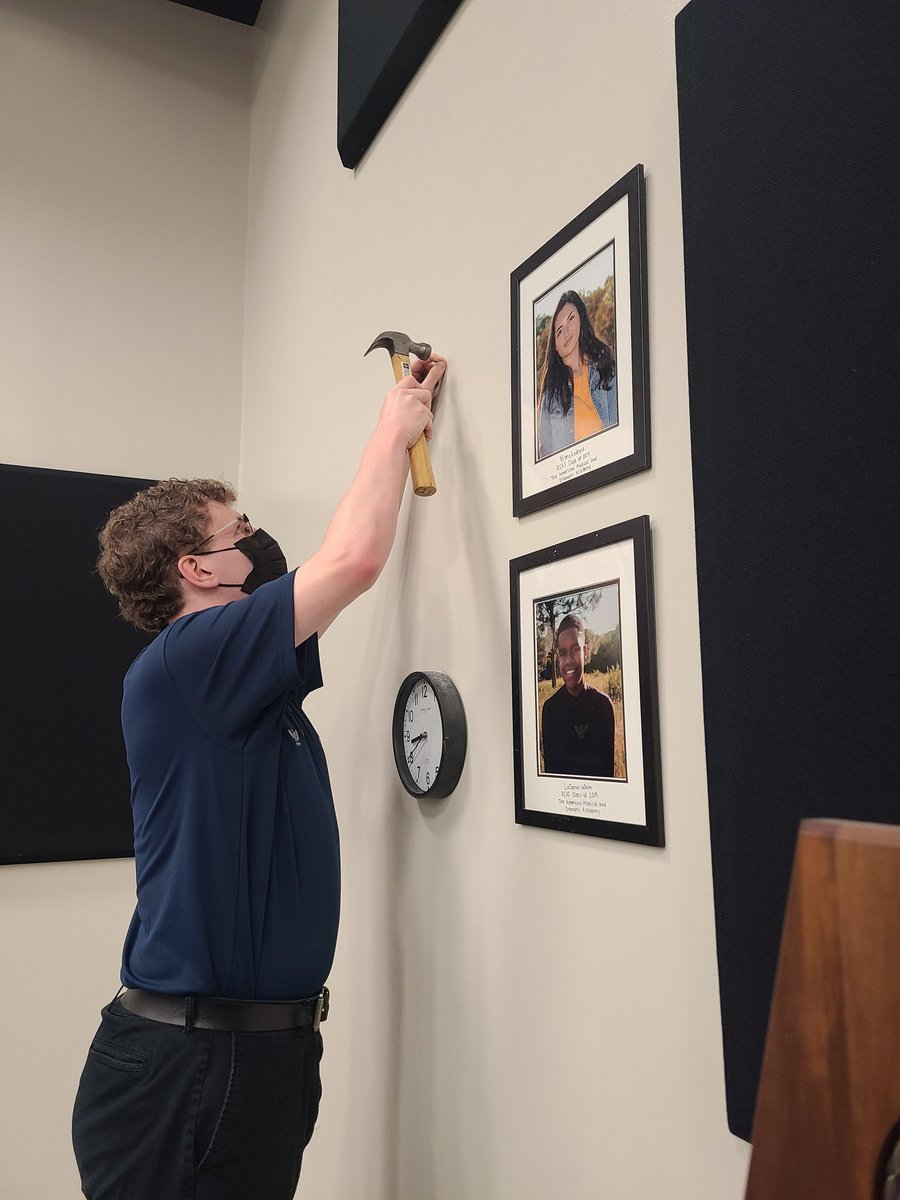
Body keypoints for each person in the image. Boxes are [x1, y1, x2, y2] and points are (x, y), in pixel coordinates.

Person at [71, 353, 446, 1200]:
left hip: (246, 1057)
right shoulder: (191, 659)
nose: (258, 539)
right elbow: (350, 561)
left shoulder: (235, 681)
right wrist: (394, 428)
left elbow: (331, 574)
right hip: (192, 1069)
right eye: (239, 531)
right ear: (196, 572)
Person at [537, 288, 617, 460]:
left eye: (571, 319)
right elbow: (546, 457)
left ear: (581, 319)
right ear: (556, 347)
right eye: (559, 331)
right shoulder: (550, 396)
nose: (565, 333)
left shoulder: (607, 370)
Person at [540, 613, 615, 778]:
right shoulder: (550, 710)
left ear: (585, 651)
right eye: (562, 652)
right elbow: (550, 777)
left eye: (575, 650)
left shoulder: (603, 706)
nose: (568, 661)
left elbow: (608, 775)